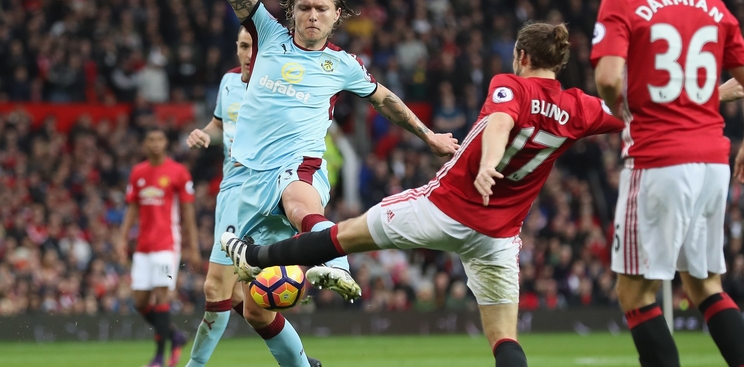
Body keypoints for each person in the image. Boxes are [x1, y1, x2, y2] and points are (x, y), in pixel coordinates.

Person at [219, 21, 623, 367]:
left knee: (344, 235)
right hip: (498, 236)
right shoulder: (581, 108)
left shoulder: (510, 85)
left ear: (521, 55)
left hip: (442, 209)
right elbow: (625, 112)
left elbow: (501, 123)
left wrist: (487, 165)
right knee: (504, 336)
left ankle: (253, 255)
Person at [214, 0, 458, 367]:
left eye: (321, 9)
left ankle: (338, 266)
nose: (312, 15)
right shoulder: (267, 34)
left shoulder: (343, 64)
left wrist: (428, 136)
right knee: (255, 307)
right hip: (247, 177)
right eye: (305, 7)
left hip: (298, 164)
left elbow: (385, 101)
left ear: (336, 16)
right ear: (292, 11)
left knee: (297, 200)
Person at [591, 0, 744, 366]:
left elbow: (608, 78)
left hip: (658, 160)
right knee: (705, 284)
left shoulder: (622, 0)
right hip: (713, 161)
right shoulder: (712, 6)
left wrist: (625, 109)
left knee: (634, 291)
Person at [183, 27, 322, 367]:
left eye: (254, 47)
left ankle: (194, 366)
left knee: (216, 288)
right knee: (245, 303)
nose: (247, 54)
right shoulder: (229, 83)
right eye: (242, 46)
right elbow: (221, 125)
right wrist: (206, 134)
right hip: (228, 190)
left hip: (258, 191)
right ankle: (304, 365)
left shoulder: (281, 87)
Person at [117, 127, 201, 367]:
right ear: (145, 144)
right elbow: (132, 207)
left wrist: (192, 246)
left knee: (162, 295)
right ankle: (175, 337)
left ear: (166, 143)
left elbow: (187, 212)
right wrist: (122, 238)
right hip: (143, 246)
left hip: (167, 244)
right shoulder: (138, 172)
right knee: (140, 302)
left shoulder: (178, 172)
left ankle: (158, 357)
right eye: (151, 139)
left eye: (159, 139)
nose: (155, 143)